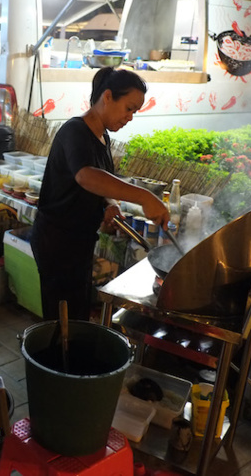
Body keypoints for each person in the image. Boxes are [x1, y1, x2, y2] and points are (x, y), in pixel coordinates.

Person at [30, 68, 170, 322]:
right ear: (107, 97)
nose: (130, 117)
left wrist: (110, 203)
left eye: (135, 111)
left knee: (77, 314)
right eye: (128, 108)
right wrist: (145, 197)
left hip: (80, 240)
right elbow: (86, 176)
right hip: (57, 241)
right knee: (61, 319)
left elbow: (102, 181)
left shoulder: (102, 136)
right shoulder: (74, 131)